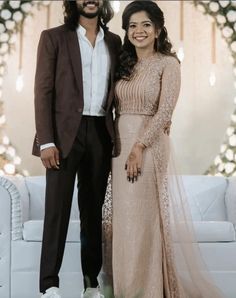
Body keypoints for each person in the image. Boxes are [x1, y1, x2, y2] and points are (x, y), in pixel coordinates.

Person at [107, 1, 225, 297]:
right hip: (119, 148)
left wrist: (139, 146)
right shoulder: (123, 63)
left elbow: (165, 112)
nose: (139, 31)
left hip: (147, 147)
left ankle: (148, 290)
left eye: (146, 24)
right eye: (132, 25)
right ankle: (125, 288)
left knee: (144, 220)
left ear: (158, 28)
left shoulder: (168, 63)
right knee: (123, 223)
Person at [32, 0, 121, 297]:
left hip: (100, 132)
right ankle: (49, 286)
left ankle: (91, 284)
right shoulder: (53, 37)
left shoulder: (114, 41)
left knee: (92, 213)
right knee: (56, 210)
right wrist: (46, 140)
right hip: (62, 135)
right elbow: (43, 90)